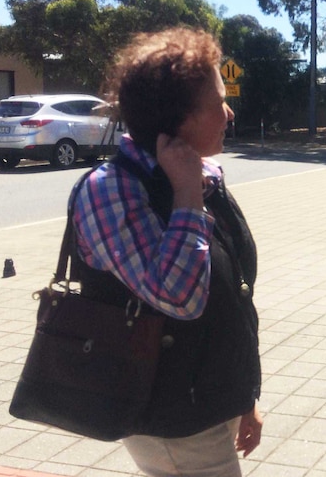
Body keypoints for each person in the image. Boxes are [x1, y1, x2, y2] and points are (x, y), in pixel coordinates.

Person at [72, 27, 262, 476]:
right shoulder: (109, 192)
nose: (229, 112)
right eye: (218, 103)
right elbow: (181, 298)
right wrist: (186, 197)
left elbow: (233, 293)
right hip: (168, 418)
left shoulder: (202, 172)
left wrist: (245, 398)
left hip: (208, 399)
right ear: (179, 119)